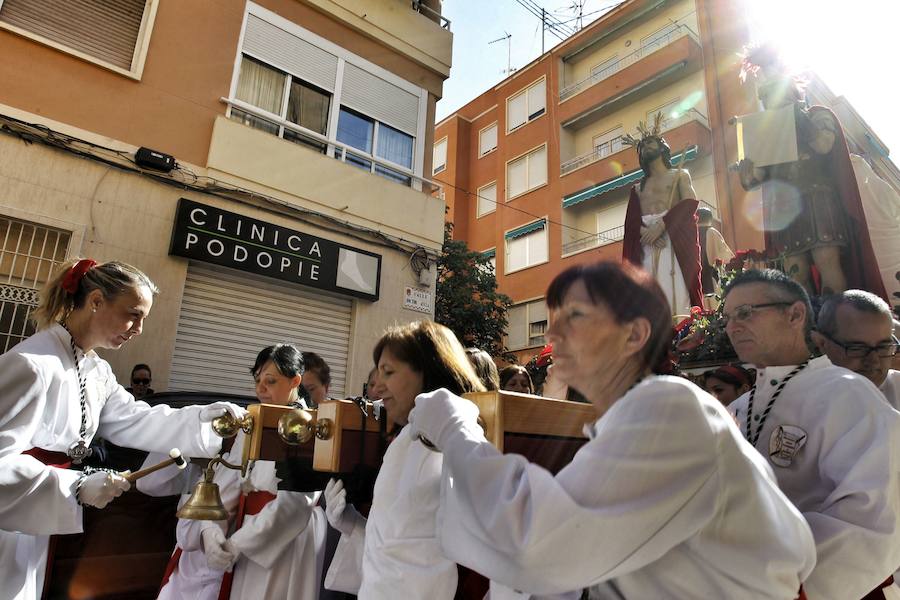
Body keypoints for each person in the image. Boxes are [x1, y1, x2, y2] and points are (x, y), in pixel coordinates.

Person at [409, 261, 815, 599]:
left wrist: (456, 428)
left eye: (576, 316)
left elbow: (541, 542)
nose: (551, 334)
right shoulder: (633, 415)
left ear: (634, 334)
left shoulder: (669, 408)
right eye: (553, 319)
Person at [0, 258, 244, 600]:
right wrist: (77, 485)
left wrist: (206, 419)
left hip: (37, 520)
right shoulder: (32, 364)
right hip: (10, 523)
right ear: (96, 301)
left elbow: (137, 420)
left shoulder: (95, 370)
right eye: (134, 314)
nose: (139, 328)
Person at [723, 269, 900, 598]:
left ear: (795, 314)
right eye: (728, 316)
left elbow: (870, 518)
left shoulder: (849, 395)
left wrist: (776, 581)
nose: (733, 326)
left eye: (746, 312)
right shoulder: (735, 410)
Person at [323, 320, 484, 599]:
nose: (378, 387)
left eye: (389, 372)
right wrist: (356, 525)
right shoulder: (408, 435)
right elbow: (401, 541)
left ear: (427, 369)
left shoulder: (450, 426)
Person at [167, 344, 326, 600]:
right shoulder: (254, 421)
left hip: (285, 537)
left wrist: (239, 543)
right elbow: (230, 483)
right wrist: (212, 530)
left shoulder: (307, 427)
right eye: (257, 380)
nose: (260, 389)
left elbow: (296, 503)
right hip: (250, 531)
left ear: (295, 380)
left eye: (271, 381)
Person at [737, 46, 885, 298]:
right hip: (787, 206)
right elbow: (758, 177)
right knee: (796, 273)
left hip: (819, 199)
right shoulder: (767, 132)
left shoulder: (817, 115)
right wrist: (746, 172)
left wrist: (794, 115)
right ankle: (809, 330)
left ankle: (838, 323)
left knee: (827, 261)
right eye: (766, 93)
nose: (770, 97)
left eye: (774, 90)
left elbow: (823, 145)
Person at [622, 114, 703, 316]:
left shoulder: (679, 176)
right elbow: (631, 222)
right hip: (647, 245)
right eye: (641, 147)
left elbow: (689, 204)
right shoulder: (638, 188)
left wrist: (663, 225)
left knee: (676, 286)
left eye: (650, 143)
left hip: (672, 241)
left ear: (662, 147)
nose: (645, 147)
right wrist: (645, 233)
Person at [814, 289, 900, 410]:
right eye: (858, 348)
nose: (873, 361)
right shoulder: (804, 405)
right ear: (822, 343)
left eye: (882, 348)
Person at [697, 207, 735, 296]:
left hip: (695, 278)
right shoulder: (712, 232)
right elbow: (725, 255)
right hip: (709, 276)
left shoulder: (691, 234)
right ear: (710, 219)